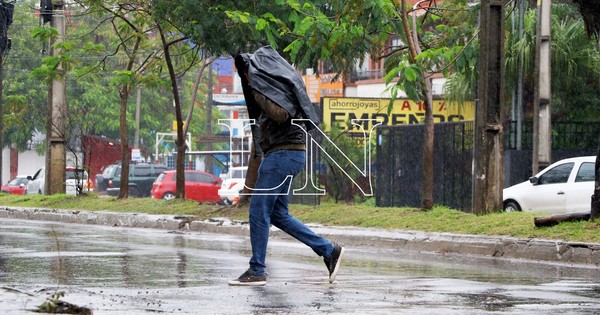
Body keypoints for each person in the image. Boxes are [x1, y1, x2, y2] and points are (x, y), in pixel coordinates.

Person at [228, 46, 344, 287]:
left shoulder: (267, 87)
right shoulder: (272, 85)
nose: (246, 79)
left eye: (246, 74)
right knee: (278, 214)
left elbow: (281, 114)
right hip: (285, 155)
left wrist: (257, 89)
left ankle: (257, 270)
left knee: (258, 210)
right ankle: (328, 250)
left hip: (283, 155)